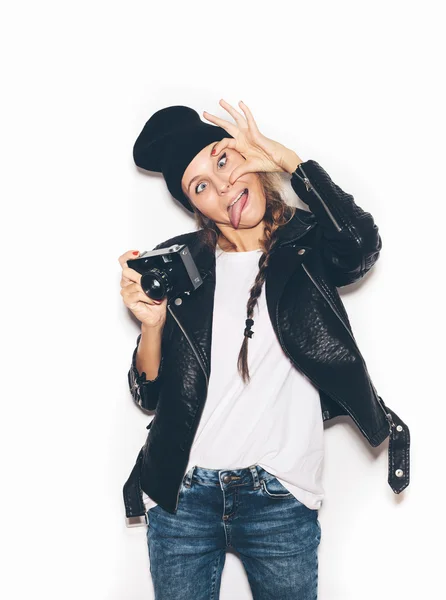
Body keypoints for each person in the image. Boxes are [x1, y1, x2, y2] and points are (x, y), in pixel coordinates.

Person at [119, 101, 410, 599]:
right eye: (201, 186)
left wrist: (287, 162)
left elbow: (361, 244)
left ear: (244, 154)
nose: (224, 186)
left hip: (279, 497)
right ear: (195, 207)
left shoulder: (306, 242)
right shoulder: (185, 265)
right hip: (182, 498)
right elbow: (148, 392)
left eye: (223, 161)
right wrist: (151, 325)